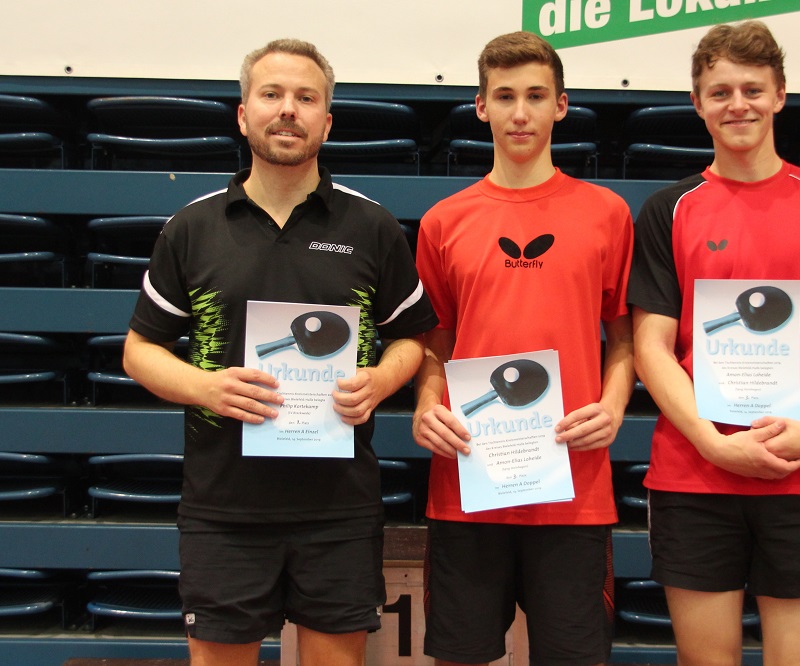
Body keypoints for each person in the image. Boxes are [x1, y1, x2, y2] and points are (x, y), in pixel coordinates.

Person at [122, 38, 438, 666]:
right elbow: (139, 350)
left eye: (305, 97)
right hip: (223, 508)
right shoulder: (192, 227)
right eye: (272, 94)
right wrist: (206, 387)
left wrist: (381, 379)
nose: (288, 109)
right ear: (244, 115)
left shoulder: (371, 227)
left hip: (338, 508)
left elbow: (413, 337)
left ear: (327, 121)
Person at [627, 20, 800, 666]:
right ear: (697, 103)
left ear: (780, 95)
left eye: (752, 89)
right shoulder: (668, 209)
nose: (737, 105)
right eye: (720, 92)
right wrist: (711, 441)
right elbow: (651, 346)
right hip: (695, 475)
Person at [412, 31, 635, 666]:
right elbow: (433, 341)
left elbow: (625, 338)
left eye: (536, 96)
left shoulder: (607, 213)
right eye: (504, 96)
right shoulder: (443, 221)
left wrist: (614, 406)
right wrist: (427, 403)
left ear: (561, 106)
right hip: (468, 482)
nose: (520, 113)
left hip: (573, 488)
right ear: (480, 106)